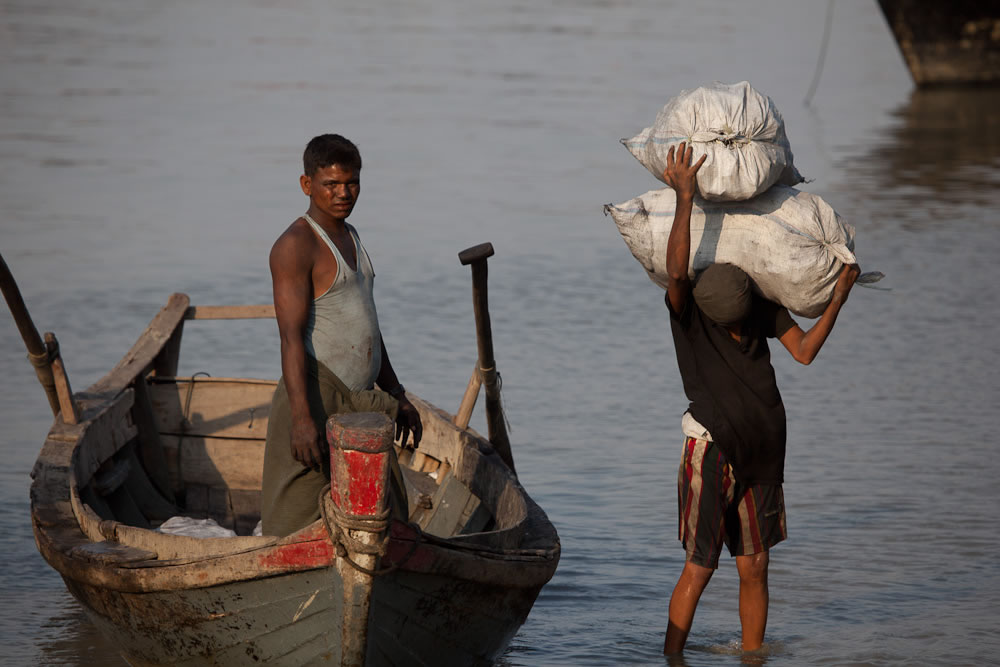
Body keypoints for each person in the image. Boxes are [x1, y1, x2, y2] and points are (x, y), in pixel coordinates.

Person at [659, 142, 860, 654]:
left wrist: (838, 296)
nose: (736, 331)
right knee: (701, 566)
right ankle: (672, 658)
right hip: (712, 449)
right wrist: (685, 197)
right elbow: (678, 272)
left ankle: (753, 659)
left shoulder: (760, 307)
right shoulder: (690, 314)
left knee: (755, 566)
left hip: (764, 454)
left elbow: (805, 352)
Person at [261, 134, 422, 538]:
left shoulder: (351, 236)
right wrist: (301, 419)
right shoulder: (296, 245)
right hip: (317, 396)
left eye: (351, 183)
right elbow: (291, 340)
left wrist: (397, 394)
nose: (343, 193)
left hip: (361, 402)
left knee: (383, 517)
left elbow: (367, 326)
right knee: (295, 523)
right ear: (306, 184)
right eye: (331, 184)